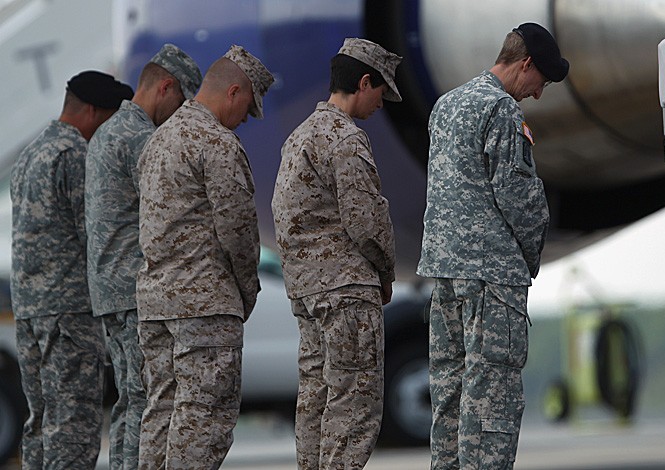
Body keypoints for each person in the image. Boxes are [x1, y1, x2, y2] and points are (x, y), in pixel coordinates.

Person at [416, 23, 569, 469]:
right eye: (541, 81)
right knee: (491, 400)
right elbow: (519, 197)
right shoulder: (501, 110)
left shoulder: (446, 105)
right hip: (492, 278)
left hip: (444, 273)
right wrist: (529, 258)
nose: (538, 94)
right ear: (525, 65)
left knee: (450, 394)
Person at [136, 44, 273, 469]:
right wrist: (246, 291)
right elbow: (238, 231)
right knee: (204, 419)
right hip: (204, 306)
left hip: (156, 303)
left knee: (162, 412)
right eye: (248, 108)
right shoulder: (216, 143)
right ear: (233, 91)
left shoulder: (158, 139)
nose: (246, 120)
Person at [271, 37, 402, 469]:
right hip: (346, 290)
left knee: (316, 398)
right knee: (355, 403)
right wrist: (385, 272)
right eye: (382, 93)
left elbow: (283, 215)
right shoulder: (345, 138)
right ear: (364, 82)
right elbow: (366, 220)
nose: (382, 104)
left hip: (307, 292)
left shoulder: (299, 136)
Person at [85, 43, 201, 470]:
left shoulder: (106, 131)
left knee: (131, 400)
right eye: (181, 100)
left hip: (109, 289)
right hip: (135, 290)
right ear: (165, 87)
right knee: (149, 401)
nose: (181, 112)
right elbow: (169, 209)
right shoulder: (140, 138)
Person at [10, 71, 133, 468]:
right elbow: (94, 234)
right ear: (94, 111)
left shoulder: (31, 153)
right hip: (69, 313)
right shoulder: (75, 155)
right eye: (109, 118)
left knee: (41, 422)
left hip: (30, 311)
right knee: (74, 426)